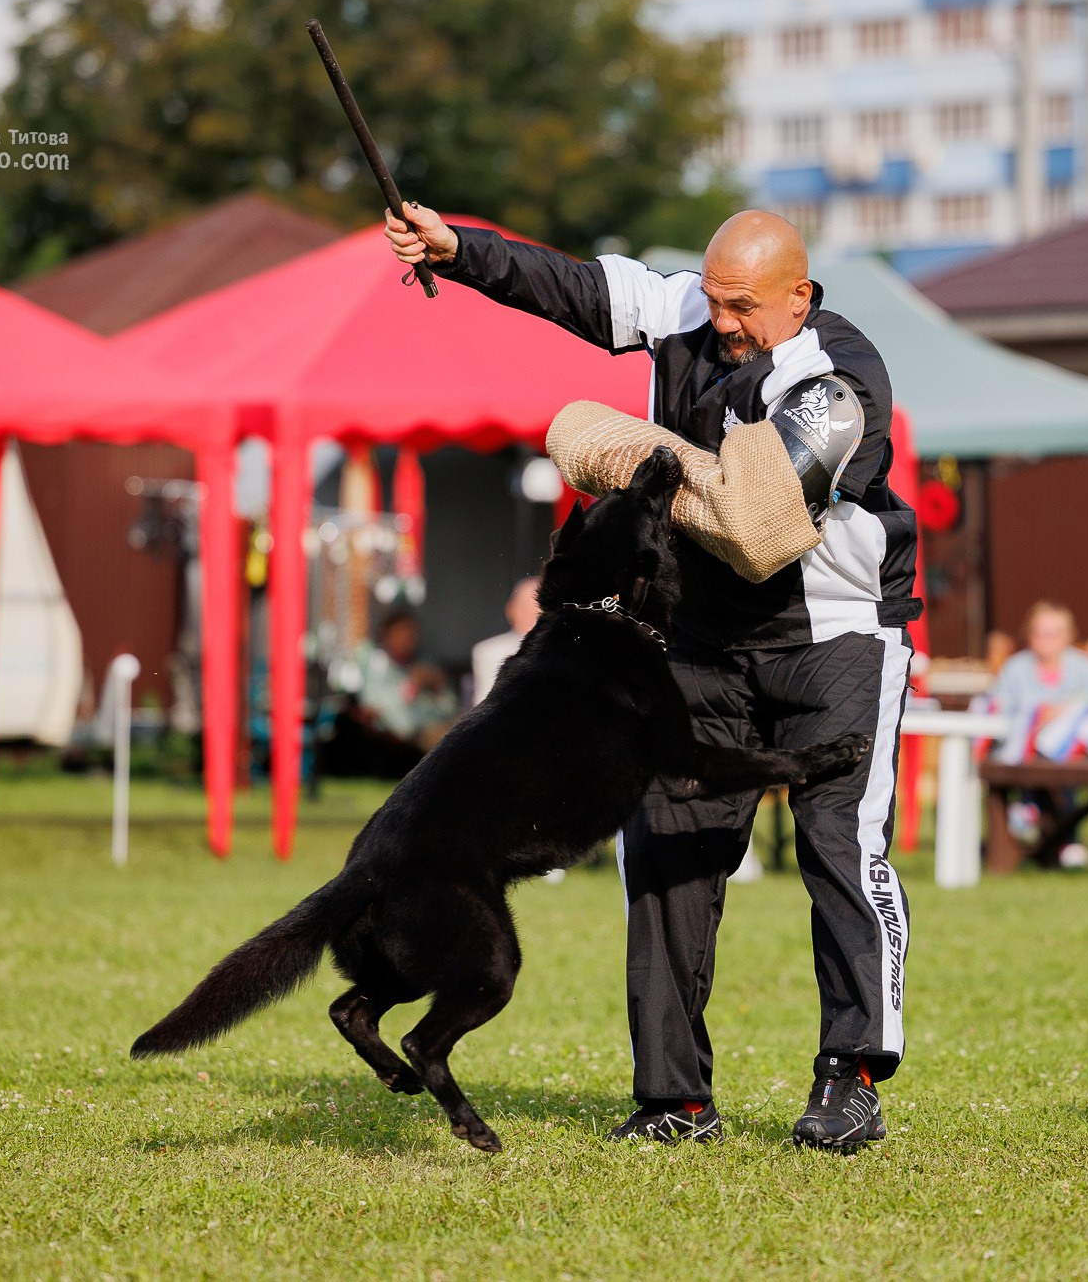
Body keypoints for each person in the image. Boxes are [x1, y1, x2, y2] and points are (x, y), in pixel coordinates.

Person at [385, 203, 918, 1152]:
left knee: (843, 847)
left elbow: (756, 523)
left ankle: (853, 1076)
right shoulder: (687, 307)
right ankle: (678, 1098)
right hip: (704, 642)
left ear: (799, 297)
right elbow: (573, 288)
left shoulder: (837, 380)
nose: (719, 322)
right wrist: (461, 251)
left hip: (832, 636)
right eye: (712, 300)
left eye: (742, 306)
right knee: (664, 848)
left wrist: (618, 448)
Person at [986, 602, 1088, 869]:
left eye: (1054, 633)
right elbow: (996, 710)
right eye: (1039, 633)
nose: (1045, 640)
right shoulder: (1016, 668)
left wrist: (1066, 713)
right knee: (1033, 768)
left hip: (1069, 756)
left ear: (1068, 637)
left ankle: (1060, 840)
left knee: (1059, 768)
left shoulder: (1082, 667)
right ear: (1029, 635)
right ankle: (1049, 841)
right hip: (1023, 754)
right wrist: (1035, 718)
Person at [329, 610, 459, 777]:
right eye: (402, 634)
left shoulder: (427, 664)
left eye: (411, 635)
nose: (408, 640)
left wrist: (436, 684)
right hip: (393, 736)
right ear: (386, 636)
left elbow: (450, 708)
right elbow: (372, 706)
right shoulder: (373, 664)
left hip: (429, 729)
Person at [470, 577, 541, 707]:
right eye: (525, 607)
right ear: (510, 609)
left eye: (538, 608)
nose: (532, 614)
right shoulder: (489, 651)